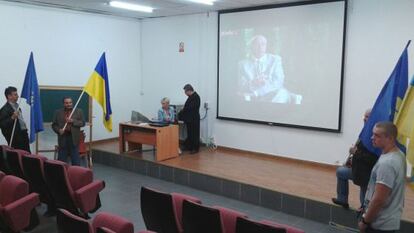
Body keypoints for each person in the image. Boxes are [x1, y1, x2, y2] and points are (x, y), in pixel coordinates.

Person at [358, 122, 406, 233]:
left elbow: (379, 200)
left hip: (380, 224)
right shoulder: (398, 154)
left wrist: (365, 221)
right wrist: (366, 206)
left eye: (377, 135)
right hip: (387, 219)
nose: (372, 138)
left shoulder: (387, 163)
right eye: (373, 134)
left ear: (390, 138)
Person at [332, 109, 378, 208]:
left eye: (367, 117)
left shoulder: (374, 136)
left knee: (364, 195)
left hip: (367, 173)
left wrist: (355, 152)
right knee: (341, 172)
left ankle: (364, 211)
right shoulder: (365, 132)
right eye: (364, 116)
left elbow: (372, 158)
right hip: (358, 169)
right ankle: (342, 199)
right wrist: (350, 161)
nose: (365, 119)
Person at [238, 35, 291, 103]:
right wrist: (254, 82)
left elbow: (278, 82)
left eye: (263, 44)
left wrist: (257, 93)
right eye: (257, 44)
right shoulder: (242, 64)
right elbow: (241, 86)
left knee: (282, 93)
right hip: (252, 99)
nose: (260, 47)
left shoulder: (275, 60)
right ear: (252, 46)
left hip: (274, 94)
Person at [52, 97, 85, 166]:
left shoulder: (79, 111)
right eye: (66, 103)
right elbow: (54, 125)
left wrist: (73, 121)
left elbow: (82, 123)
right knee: (61, 160)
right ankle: (61, 174)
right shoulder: (58, 112)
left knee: (75, 160)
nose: (69, 104)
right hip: (63, 138)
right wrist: (58, 130)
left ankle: (76, 174)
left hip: (74, 138)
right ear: (63, 104)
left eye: (70, 102)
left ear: (72, 103)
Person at [0, 86, 30, 152]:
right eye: (15, 94)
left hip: (23, 135)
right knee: (18, 157)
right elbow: (2, 124)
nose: (18, 96)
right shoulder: (4, 109)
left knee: (27, 155)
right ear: (9, 96)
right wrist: (12, 118)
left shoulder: (17, 106)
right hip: (15, 138)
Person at [178, 84, 200, 154]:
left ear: (189, 90)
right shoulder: (191, 97)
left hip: (194, 119)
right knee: (190, 133)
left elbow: (190, 108)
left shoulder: (196, 97)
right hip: (189, 119)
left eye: (185, 92)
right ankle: (189, 146)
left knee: (194, 134)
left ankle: (195, 148)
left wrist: (183, 109)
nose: (185, 93)